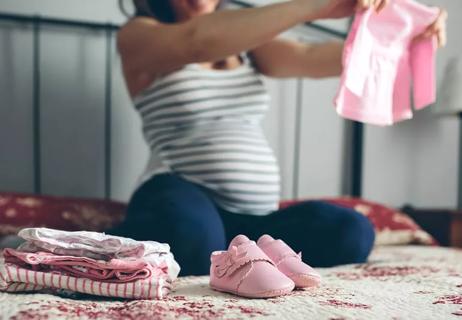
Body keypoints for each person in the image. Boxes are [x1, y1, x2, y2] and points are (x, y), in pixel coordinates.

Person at [112, 0, 447, 276]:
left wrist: (406, 36)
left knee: (351, 232)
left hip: (252, 219)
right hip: (178, 191)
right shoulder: (139, 36)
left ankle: (240, 254)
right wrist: (315, 6)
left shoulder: (247, 43)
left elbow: (311, 57)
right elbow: (197, 41)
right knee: (193, 237)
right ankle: (134, 241)